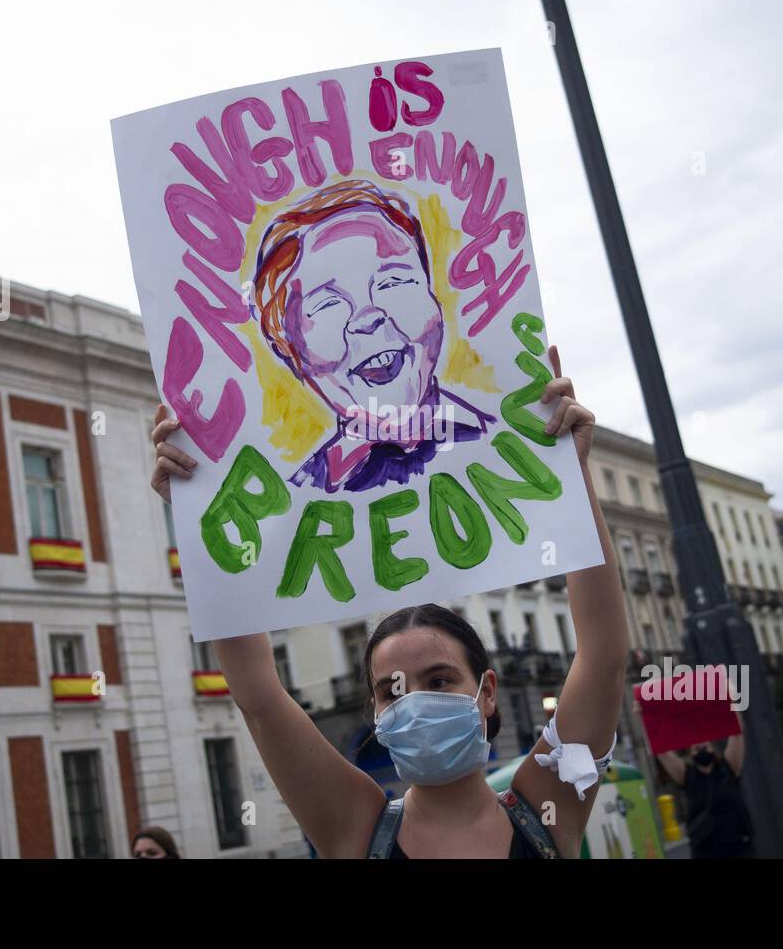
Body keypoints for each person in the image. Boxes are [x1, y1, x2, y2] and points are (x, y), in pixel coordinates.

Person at [149, 347, 626, 858]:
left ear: (487, 692)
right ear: (374, 711)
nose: (414, 703)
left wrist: (571, 476)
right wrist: (205, 513)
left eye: (439, 680)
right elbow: (260, 697)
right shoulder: (354, 826)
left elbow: (603, 652)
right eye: (391, 691)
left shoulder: (548, 804)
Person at [250, 179, 493, 493]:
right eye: (327, 304)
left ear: (432, 298)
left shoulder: (512, 441)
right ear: (288, 349)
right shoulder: (290, 509)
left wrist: (573, 463)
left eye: (394, 282)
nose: (368, 318)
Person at [655, 715, 753, 859]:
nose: (700, 747)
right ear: (690, 754)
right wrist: (647, 718)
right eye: (696, 748)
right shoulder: (687, 776)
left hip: (739, 850)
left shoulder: (728, 768)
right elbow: (660, 750)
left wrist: (732, 702)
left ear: (712, 747)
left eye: (703, 745)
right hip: (705, 853)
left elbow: (737, 732)